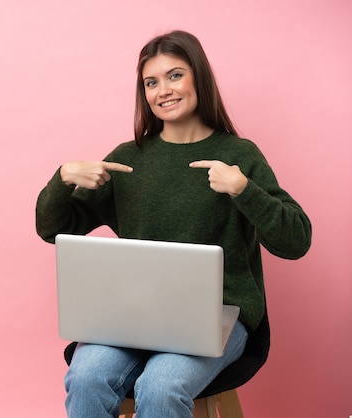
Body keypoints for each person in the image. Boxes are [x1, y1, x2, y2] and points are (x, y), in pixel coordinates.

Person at [35, 30, 312, 418]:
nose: (163, 90)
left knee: (161, 387)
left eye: (175, 75)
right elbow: (53, 228)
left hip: (217, 314)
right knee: (87, 378)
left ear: (199, 77)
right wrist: (62, 179)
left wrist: (243, 189)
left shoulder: (239, 155)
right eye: (151, 82)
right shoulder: (128, 159)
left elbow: (296, 240)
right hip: (131, 315)